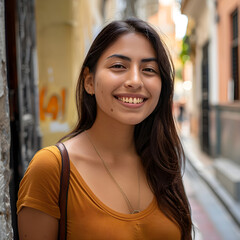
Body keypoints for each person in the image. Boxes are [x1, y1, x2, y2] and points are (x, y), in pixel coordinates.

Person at [17, 17, 193, 239]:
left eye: (149, 69)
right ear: (89, 81)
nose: (135, 81)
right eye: (119, 66)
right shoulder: (50, 169)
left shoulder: (162, 162)